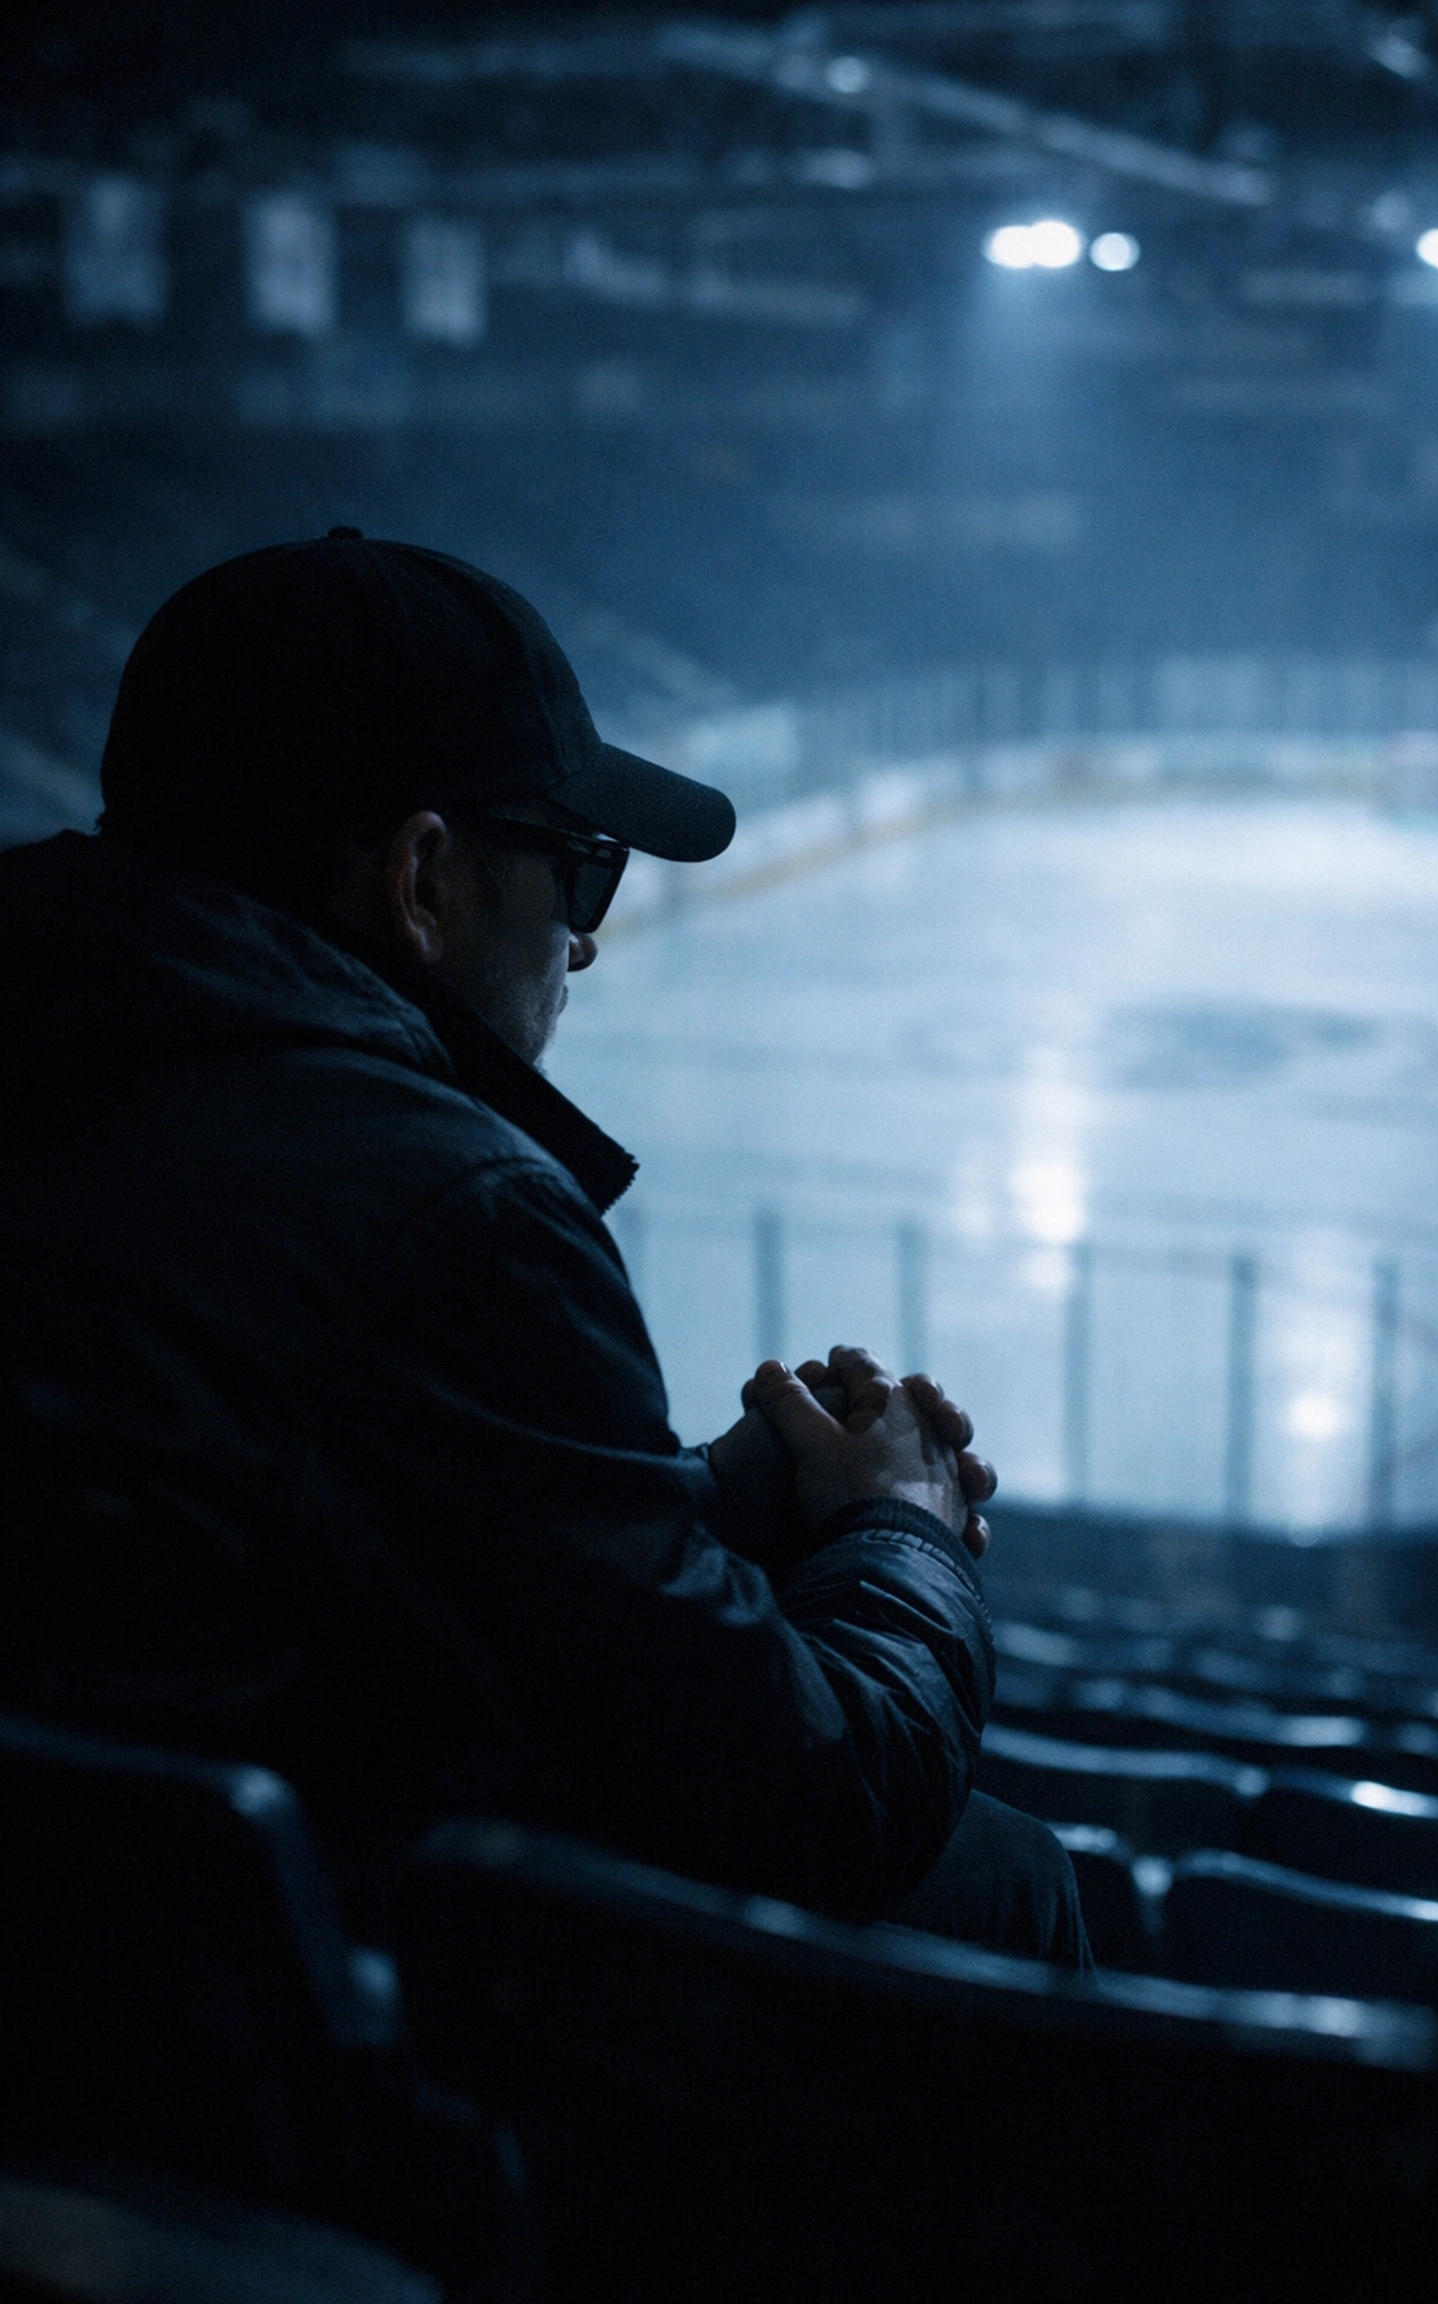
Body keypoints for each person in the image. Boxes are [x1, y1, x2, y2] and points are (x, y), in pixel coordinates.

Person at [0, 530, 1087, 1972]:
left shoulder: (79, 1071)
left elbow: (339, 1516)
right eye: (579, 877)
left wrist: (721, 1499)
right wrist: (904, 1537)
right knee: (1006, 1879)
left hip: (103, 1950)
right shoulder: (452, 1217)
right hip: (311, 2043)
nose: (583, 948)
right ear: (426, 879)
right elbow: (817, 1806)